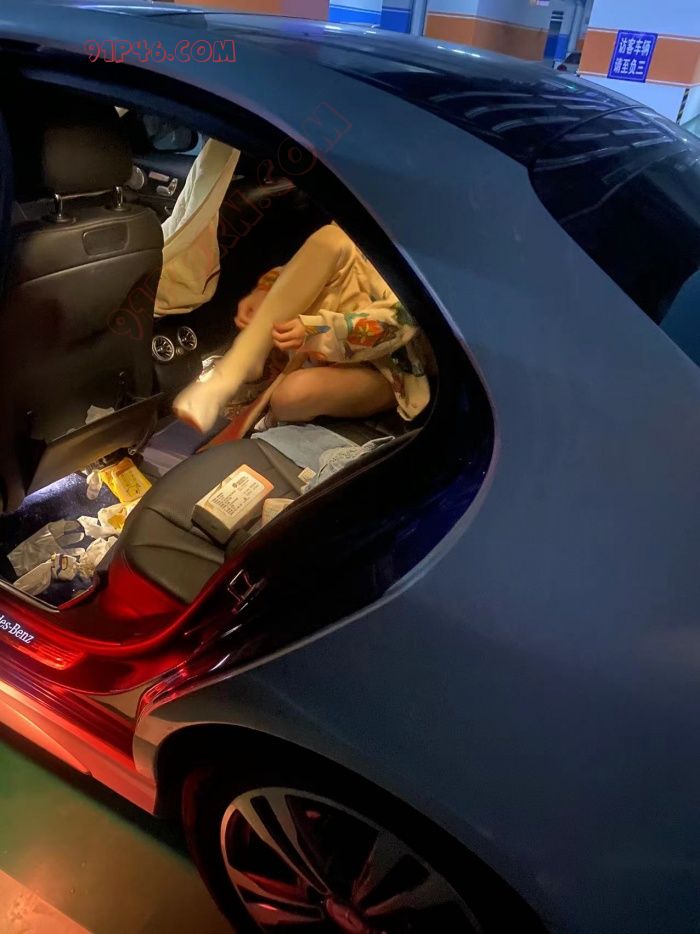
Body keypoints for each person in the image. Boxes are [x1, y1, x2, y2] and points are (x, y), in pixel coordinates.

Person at [173, 224, 431, 433]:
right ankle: (236, 368)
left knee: (289, 398)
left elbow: (399, 320)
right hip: (318, 328)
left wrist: (318, 330)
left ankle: (255, 384)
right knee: (332, 238)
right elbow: (319, 259)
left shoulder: (425, 253)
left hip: (388, 364)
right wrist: (267, 289)